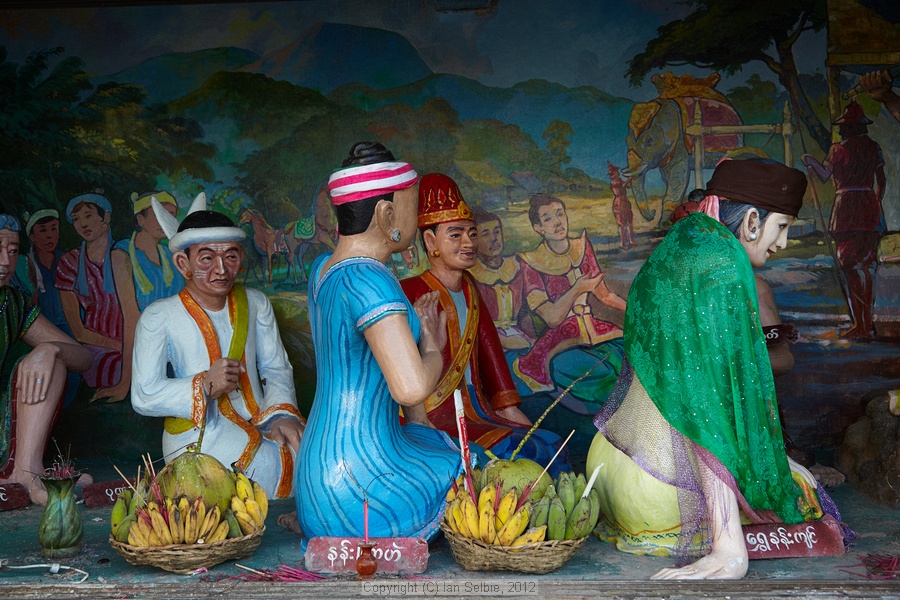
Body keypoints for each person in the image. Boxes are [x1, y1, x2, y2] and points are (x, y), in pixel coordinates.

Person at [587, 159, 849, 580]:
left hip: (610, 466)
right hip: (663, 488)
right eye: (781, 227)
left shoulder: (682, 246)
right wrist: (730, 547)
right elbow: (706, 401)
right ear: (750, 222)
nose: (782, 243)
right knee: (799, 491)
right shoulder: (723, 266)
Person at [295, 143, 461, 542]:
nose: (416, 216)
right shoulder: (370, 281)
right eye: (412, 206)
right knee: (461, 466)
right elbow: (410, 387)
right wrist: (432, 345)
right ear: (387, 215)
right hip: (358, 485)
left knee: (428, 441)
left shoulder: (324, 268)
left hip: (314, 473)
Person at [131, 193, 305, 498]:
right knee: (265, 466)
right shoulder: (159, 316)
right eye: (207, 258)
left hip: (262, 417)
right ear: (183, 262)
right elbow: (144, 394)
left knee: (309, 453)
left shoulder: (256, 302)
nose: (222, 269)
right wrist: (203, 384)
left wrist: (281, 415)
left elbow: (276, 367)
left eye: (231, 257)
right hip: (200, 432)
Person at [401, 174, 568, 473]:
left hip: (479, 409)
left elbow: (492, 361)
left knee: (549, 445)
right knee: (507, 458)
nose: (469, 243)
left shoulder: (471, 290)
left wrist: (510, 409)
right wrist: (430, 343)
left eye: (472, 233)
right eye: (456, 234)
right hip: (431, 418)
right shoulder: (409, 292)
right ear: (430, 241)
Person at [0, 211, 92, 505]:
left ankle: (26, 473)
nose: (5, 262)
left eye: (13, 252)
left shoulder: (11, 303)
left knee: (52, 361)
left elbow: (83, 358)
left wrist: (49, 349)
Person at [512, 193, 626, 414]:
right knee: (595, 375)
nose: (557, 222)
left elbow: (605, 296)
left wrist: (637, 315)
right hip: (561, 339)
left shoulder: (582, 247)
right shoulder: (531, 262)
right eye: (547, 219)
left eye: (560, 214)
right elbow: (552, 318)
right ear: (538, 228)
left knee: (628, 358)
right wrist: (578, 288)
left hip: (596, 330)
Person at [802, 101, 886, 340]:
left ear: (846, 128)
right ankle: (865, 324)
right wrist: (875, 202)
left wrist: (810, 161)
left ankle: (862, 325)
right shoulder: (874, 147)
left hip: (846, 210)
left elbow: (824, 174)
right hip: (869, 209)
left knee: (850, 266)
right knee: (867, 266)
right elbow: (882, 181)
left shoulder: (837, 149)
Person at [55, 192, 131, 401]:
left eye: (88, 215)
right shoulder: (69, 263)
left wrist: (131, 345)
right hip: (96, 345)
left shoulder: (126, 253)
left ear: (105, 218)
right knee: (113, 367)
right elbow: (78, 331)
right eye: (76, 219)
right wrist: (120, 347)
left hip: (134, 337)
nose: (82, 224)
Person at [24, 209, 81, 408]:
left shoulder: (68, 260)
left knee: (72, 372)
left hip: (67, 326)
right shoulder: (27, 264)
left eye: (54, 229)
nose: (50, 235)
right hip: (39, 329)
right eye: (43, 230)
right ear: (32, 236)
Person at [470, 209, 534, 352]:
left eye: (497, 232)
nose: (494, 239)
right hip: (488, 343)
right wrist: (503, 340)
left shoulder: (517, 267)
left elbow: (525, 313)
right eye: (485, 234)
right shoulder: (470, 276)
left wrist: (534, 339)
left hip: (519, 336)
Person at [113, 191, 184, 312]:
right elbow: (129, 311)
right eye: (158, 214)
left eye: (171, 215)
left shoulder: (171, 254)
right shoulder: (121, 253)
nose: (165, 220)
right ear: (140, 220)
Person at [609, 162, 637, 251]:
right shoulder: (614, 181)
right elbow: (623, 186)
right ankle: (622, 243)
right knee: (622, 224)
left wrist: (630, 180)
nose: (618, 172)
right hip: (619, 202)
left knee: (629, 222)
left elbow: (626, 186)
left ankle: (631, 240)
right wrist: (630, 179)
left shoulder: (619, 179)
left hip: (624, 201)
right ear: (614, 173)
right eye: (616, 171)